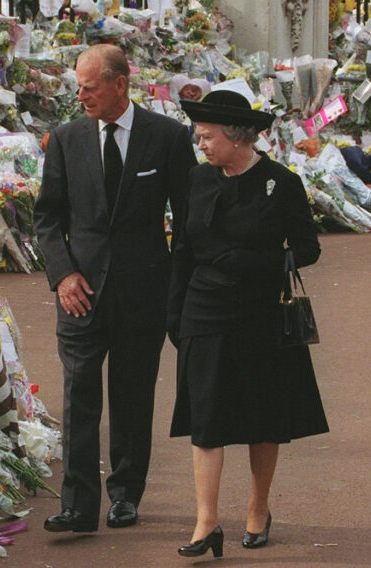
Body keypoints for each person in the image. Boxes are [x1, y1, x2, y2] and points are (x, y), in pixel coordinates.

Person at [33, 44, 196, 533]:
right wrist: (62, 275)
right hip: (79, 294)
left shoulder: (166, 137)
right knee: (78, 396)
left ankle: (125, 495)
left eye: (90, 86)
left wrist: (178, 288)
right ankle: (78, 505)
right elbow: (47, 218)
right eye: (77, 86)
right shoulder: (65, 139)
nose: (80, 95)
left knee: (131, 396)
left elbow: (187, 219)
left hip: (143, 293)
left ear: (120, 84)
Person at [168, 89, 328, 557]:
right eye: (199, 136)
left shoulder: (282, 182)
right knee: (206, 419)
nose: (202, 144)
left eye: (208, 136)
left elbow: (308, 248)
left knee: (263, 417)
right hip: (204, 308)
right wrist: (174, 314)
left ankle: (258, 508)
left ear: (237, 138)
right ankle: (206, 523)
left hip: (260, 313)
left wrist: (261, 260)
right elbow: (181, 250)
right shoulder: (197, 180)